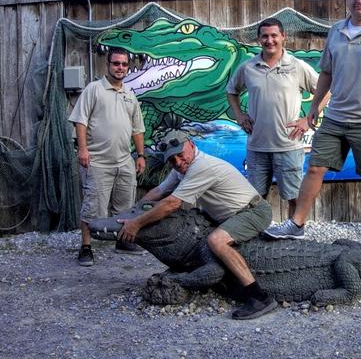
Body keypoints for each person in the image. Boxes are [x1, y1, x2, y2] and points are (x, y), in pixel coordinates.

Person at [264, 0, 361, 251]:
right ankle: (297, 224)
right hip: (335, 117)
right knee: (316, 167)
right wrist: (313, 108)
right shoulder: (336, 32)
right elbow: (326, 73)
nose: (359, 0)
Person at [117, 130, 277, 320]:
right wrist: (134, 212)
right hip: (229, 216)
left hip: (253, 212)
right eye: (172, 159)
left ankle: (260, 297)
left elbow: (171, 203)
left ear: (191, 145)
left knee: (216, 241)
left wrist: (136, 224)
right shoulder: (181, 169)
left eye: (180, 154)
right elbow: (159, 191)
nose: (177, 162)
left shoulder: (201, 166)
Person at [226, 18, 321, 219]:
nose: (270, 40)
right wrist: (240, 116)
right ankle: (255, 237)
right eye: (265, 36)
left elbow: (325, 90)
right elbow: (231, 91)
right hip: (257, 146)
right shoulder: (248, 67)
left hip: (288, 146)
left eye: (274, 35)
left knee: (294, 197)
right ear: (259, 39)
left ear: (283, 37)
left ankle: (294, 233)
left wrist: (308, 118)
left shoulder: (297, 66)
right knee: (254, 199)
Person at [69, 47, 147, 267]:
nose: (120, 68)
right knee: (92, 207)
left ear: (128, 67)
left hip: (124, 161)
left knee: (125, 207)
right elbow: (80, 121)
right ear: (108, 64)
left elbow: (137, 129)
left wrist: (140, 155)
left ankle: (122, 242)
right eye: (116, 63)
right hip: (98, 162)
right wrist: (83, 149)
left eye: (124, 64)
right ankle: (86, 247)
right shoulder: (93, 90)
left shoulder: (130, 95)